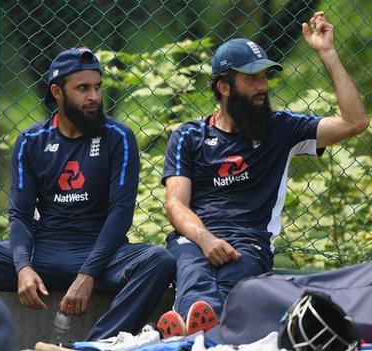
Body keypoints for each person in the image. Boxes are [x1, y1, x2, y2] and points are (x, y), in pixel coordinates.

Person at [0, 47, 175, 340]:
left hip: (101, 257)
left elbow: (120, 214)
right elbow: (20, 215)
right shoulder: (31, 141)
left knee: (159, 261)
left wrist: (87, 275)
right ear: (57, 91)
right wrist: (23, 267)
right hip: (43, 251)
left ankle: (97, 345)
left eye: (97, 87)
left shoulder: (118, 136)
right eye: (82, 88)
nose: (94, 96)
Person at [157, 12, 369, 338]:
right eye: (251, 79)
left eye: (265, 78)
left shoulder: (281, 129)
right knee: (193, 271)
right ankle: (203, 333)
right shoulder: (188, 136)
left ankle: (191, 336)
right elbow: (175, 204)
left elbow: (354, 122)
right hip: (194, 237)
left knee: (234, 282)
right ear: (224, 86)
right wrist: (206, 239)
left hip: (249, 240)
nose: (262, 87)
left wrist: (327, 53)